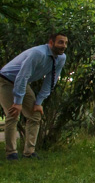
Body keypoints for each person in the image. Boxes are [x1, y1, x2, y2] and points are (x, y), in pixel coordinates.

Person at [0, 32, 67, 160]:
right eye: (60, 42)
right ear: (51, 43)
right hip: (6, 80)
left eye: (65, 43)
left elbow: (51, 80)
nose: (63, 46)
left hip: (22, 83)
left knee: (35, 114)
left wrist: (38, 102)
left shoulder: (61, 58)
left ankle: (29, 153)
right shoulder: (38, 53)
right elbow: (22, 75)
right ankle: (11, 153)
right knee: (13, 113)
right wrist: (18, 102)